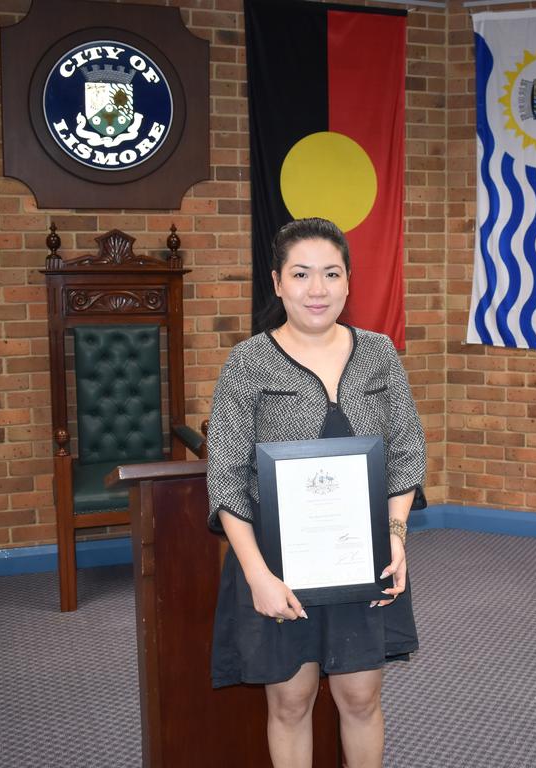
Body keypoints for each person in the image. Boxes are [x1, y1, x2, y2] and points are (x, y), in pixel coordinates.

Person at [206, 217, 426, 768]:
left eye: (331, 274)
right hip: (277, 566)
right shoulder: (247, 363)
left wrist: (396, 539)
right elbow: (226, 477)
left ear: (349, 281)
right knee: (290, 699)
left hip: (362, 560)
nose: (317, 289)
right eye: (301, 274)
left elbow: (407, 454)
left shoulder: (379, 354)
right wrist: (257, 575)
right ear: (277, 282)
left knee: (360, 696)